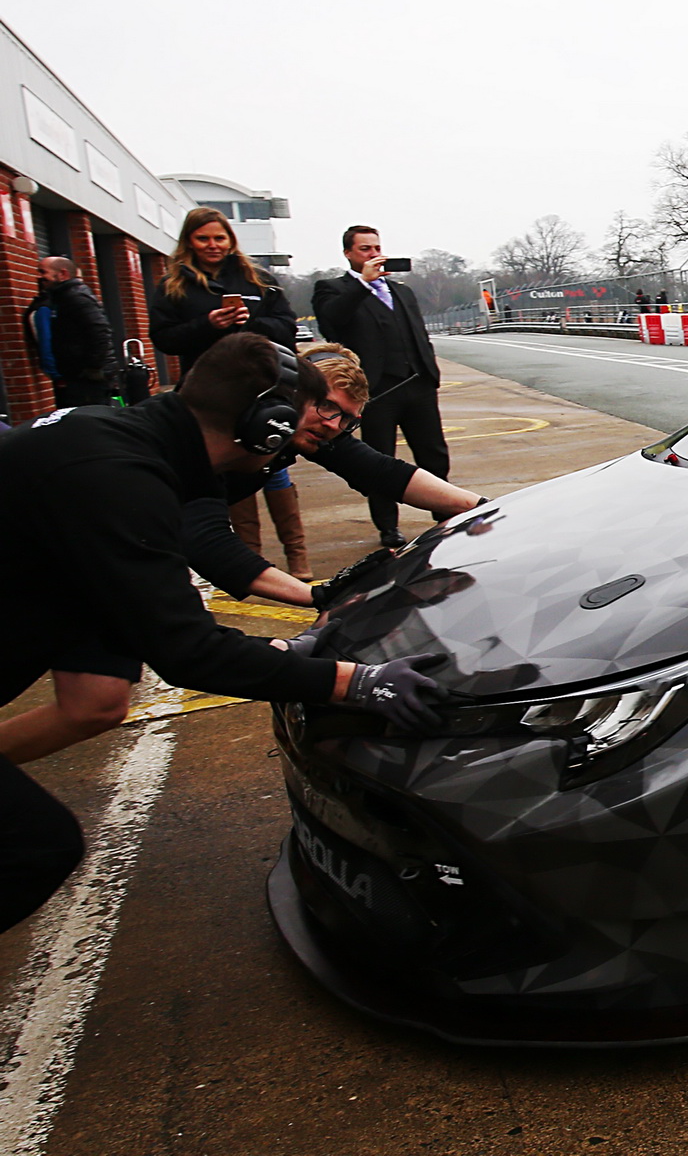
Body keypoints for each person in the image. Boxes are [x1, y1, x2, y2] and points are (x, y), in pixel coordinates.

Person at [0, 333, 445, 933]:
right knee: (38, 847)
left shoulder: (141, 441)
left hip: (52, 579)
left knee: (96, 698)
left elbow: (380, 471)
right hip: (54, 579)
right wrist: (353, 681)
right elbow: (187, 650)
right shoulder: (122, 481)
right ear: (267, 426)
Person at [185, 343, 484, 608]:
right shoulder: (203, 439)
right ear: (288, 394)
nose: (334, 426)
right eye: (328, 406)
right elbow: (206, 541)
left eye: (348, 420)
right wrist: (319, 595)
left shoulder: (311, 426)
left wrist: (488, 507)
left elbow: (384, 472)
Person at [313, 226, 450, 550]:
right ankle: (388, 527)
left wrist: (430, 371)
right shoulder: (332, 289)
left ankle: (444, 512)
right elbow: (332, 321)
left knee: (434, 453)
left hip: (417, 383)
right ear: (348, 253)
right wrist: (363, 283)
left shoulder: (401, 291)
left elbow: (418, 333)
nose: (374, 255)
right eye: (365, 249)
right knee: (379, 458)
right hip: (375, 392)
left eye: (377, 248)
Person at [149, 207, 297, 375]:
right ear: (189, 242)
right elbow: (163, 339)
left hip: (261, 377)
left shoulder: (260, 280)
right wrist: (208, 325)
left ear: (231, 241)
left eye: (219, 238)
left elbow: (287, 328)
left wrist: (251, 323)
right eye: (203, 239)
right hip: (204, 382)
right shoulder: (173, 285)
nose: (212, 245)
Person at [24, 257, 114, 407]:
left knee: (86, 422)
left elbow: (100, 331)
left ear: (62, 274)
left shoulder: (75, 298)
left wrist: (92, 369)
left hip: (84, 379)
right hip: (76, 376)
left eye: (43, 272)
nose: (39, 277)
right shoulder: (62, 298)